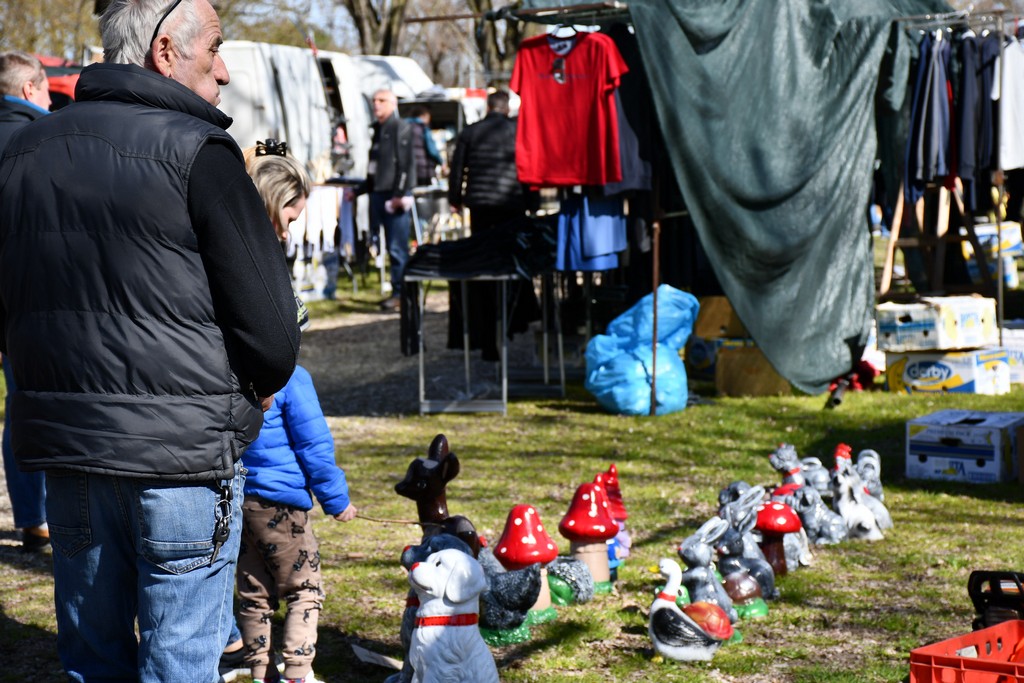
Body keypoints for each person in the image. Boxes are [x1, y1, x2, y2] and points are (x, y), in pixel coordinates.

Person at [0, 1, 300, 681]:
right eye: (216, 48)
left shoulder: (23, 150)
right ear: (166, 51)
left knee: (94, 659)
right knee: (181, 665)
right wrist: (246, 391)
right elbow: (273, 332)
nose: (224, 71)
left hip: (75, 455)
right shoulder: (199, 150)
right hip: (182, 462)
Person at [0, 50, 51, 553]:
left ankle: (32, 518)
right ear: (32, 88)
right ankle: (39, 517)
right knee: (33, 406)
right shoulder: (44, 139)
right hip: (28, 298)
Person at [447, 89, 539, 360]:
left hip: (481, 207)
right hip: (512, 205)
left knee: (484, 269)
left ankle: (488, 338)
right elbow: (528, 169)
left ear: (488, 107)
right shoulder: (518, 131)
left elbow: (457, 170)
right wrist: (531, 203)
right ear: (508, 109)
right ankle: (514, 322)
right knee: (512, 266)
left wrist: (456, 199)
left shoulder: (471, 132)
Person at [347, 88, 415, 312]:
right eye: (374, 100)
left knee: (397, 249)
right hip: (378, 195)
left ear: (393, 104)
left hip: (393, 197)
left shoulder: (400, 127)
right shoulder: (378, 129)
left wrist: (399, 194)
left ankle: (402, 295)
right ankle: (396, 293)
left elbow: (406, 165)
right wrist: (358, 191)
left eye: (382, 100)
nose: (376, 104)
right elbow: (374, 170)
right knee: (383, 246)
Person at [405, 104, 444, 187]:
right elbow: (432, 150)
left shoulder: (403, 126)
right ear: (423, 116)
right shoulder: (423, 128)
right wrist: (441, 162)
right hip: (422, 169)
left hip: (406, 169)